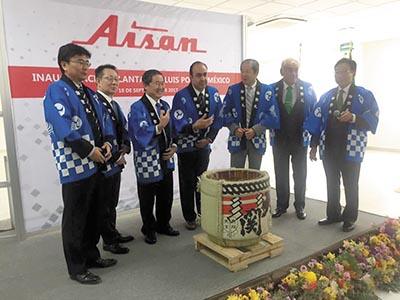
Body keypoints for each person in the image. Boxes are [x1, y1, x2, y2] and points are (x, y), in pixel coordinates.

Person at [43, 43, 117, 284]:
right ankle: (76, 268)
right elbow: (62, 127)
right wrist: (89, 151)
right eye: (80, 61)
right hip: (75, 163)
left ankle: (91, 255)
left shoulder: (88, 92)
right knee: (75, 217)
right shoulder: (56, 90)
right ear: (64, 65)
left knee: (94, 212)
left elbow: (102, 120)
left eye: (87, 62)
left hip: (96, 161)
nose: (85, 66)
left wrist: (107, 142)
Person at [305, 58, 379, 232]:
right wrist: (313, 146)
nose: (339, 75)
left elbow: (373, 117)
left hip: (350, 147)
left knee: (351, 183)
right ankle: (333, 214)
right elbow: (316, 122)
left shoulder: (364, 95)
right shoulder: (327, 96)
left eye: (343, 71)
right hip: (328, 146)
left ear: (352, 72)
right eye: (336, 71)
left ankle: (349, 217)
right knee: (331, 182)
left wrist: (353, 117)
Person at [128, 69, 180, 244]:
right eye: (157, 83)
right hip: (148, 160)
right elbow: (138, 133)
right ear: (145, 86)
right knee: (147, 197)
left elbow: (172, 130)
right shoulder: (137, 107)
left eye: (162, 83)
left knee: (166, 194)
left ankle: (164, 224)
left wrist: (174, 146)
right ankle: (149, 229)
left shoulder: (165, 105)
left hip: (165, 157)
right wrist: (159, 126)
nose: (161, 87)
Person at [171, 61, 223, 230]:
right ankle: (190, 216)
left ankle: (203, 212)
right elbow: (177, 121)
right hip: (186, 147)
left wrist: (209, 139)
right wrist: (194, 126)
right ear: (191, 77)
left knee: (202, 182)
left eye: (205, 74)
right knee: (187, 183)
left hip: (204, 146)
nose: (203, 78)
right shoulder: (181, 96)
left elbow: (219, 118)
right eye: (199, 75)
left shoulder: (214, 93)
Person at [270, 58, 317, 220]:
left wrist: (314, 142)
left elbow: (314, 115)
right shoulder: (272, 89)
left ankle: (300, 206)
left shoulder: (308, 88)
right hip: (279, 140)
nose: (293, 73)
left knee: (300, 174)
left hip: (300, 140)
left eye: (296, 70)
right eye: (289, 69)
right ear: (281, 71)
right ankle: (281, 205)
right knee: (280, 174)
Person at [94, 64, 134, 254]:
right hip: (105, 162)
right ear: (98, 81)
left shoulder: (114, 104)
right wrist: (116, 156)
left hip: (117, 161)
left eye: (116, 79)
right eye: (109, 78)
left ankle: (113, 232)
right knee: (104, 204)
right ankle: (108, 241)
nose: (114, 82)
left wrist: (125, 149)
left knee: (112, 202)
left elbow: (123, 130)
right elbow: (101, 136)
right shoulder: (96, 103)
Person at [223, 58, 279, 170]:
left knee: (255, 175)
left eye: (247, 71)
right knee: (235, 175)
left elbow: (272, 115)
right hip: (237, 138)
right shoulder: (233, 90)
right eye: (242, 71)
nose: (244, 75)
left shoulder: (267, 91)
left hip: (257, 139)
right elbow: (224, 112)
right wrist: (234, 128)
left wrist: (255, 130)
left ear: (256, 72)